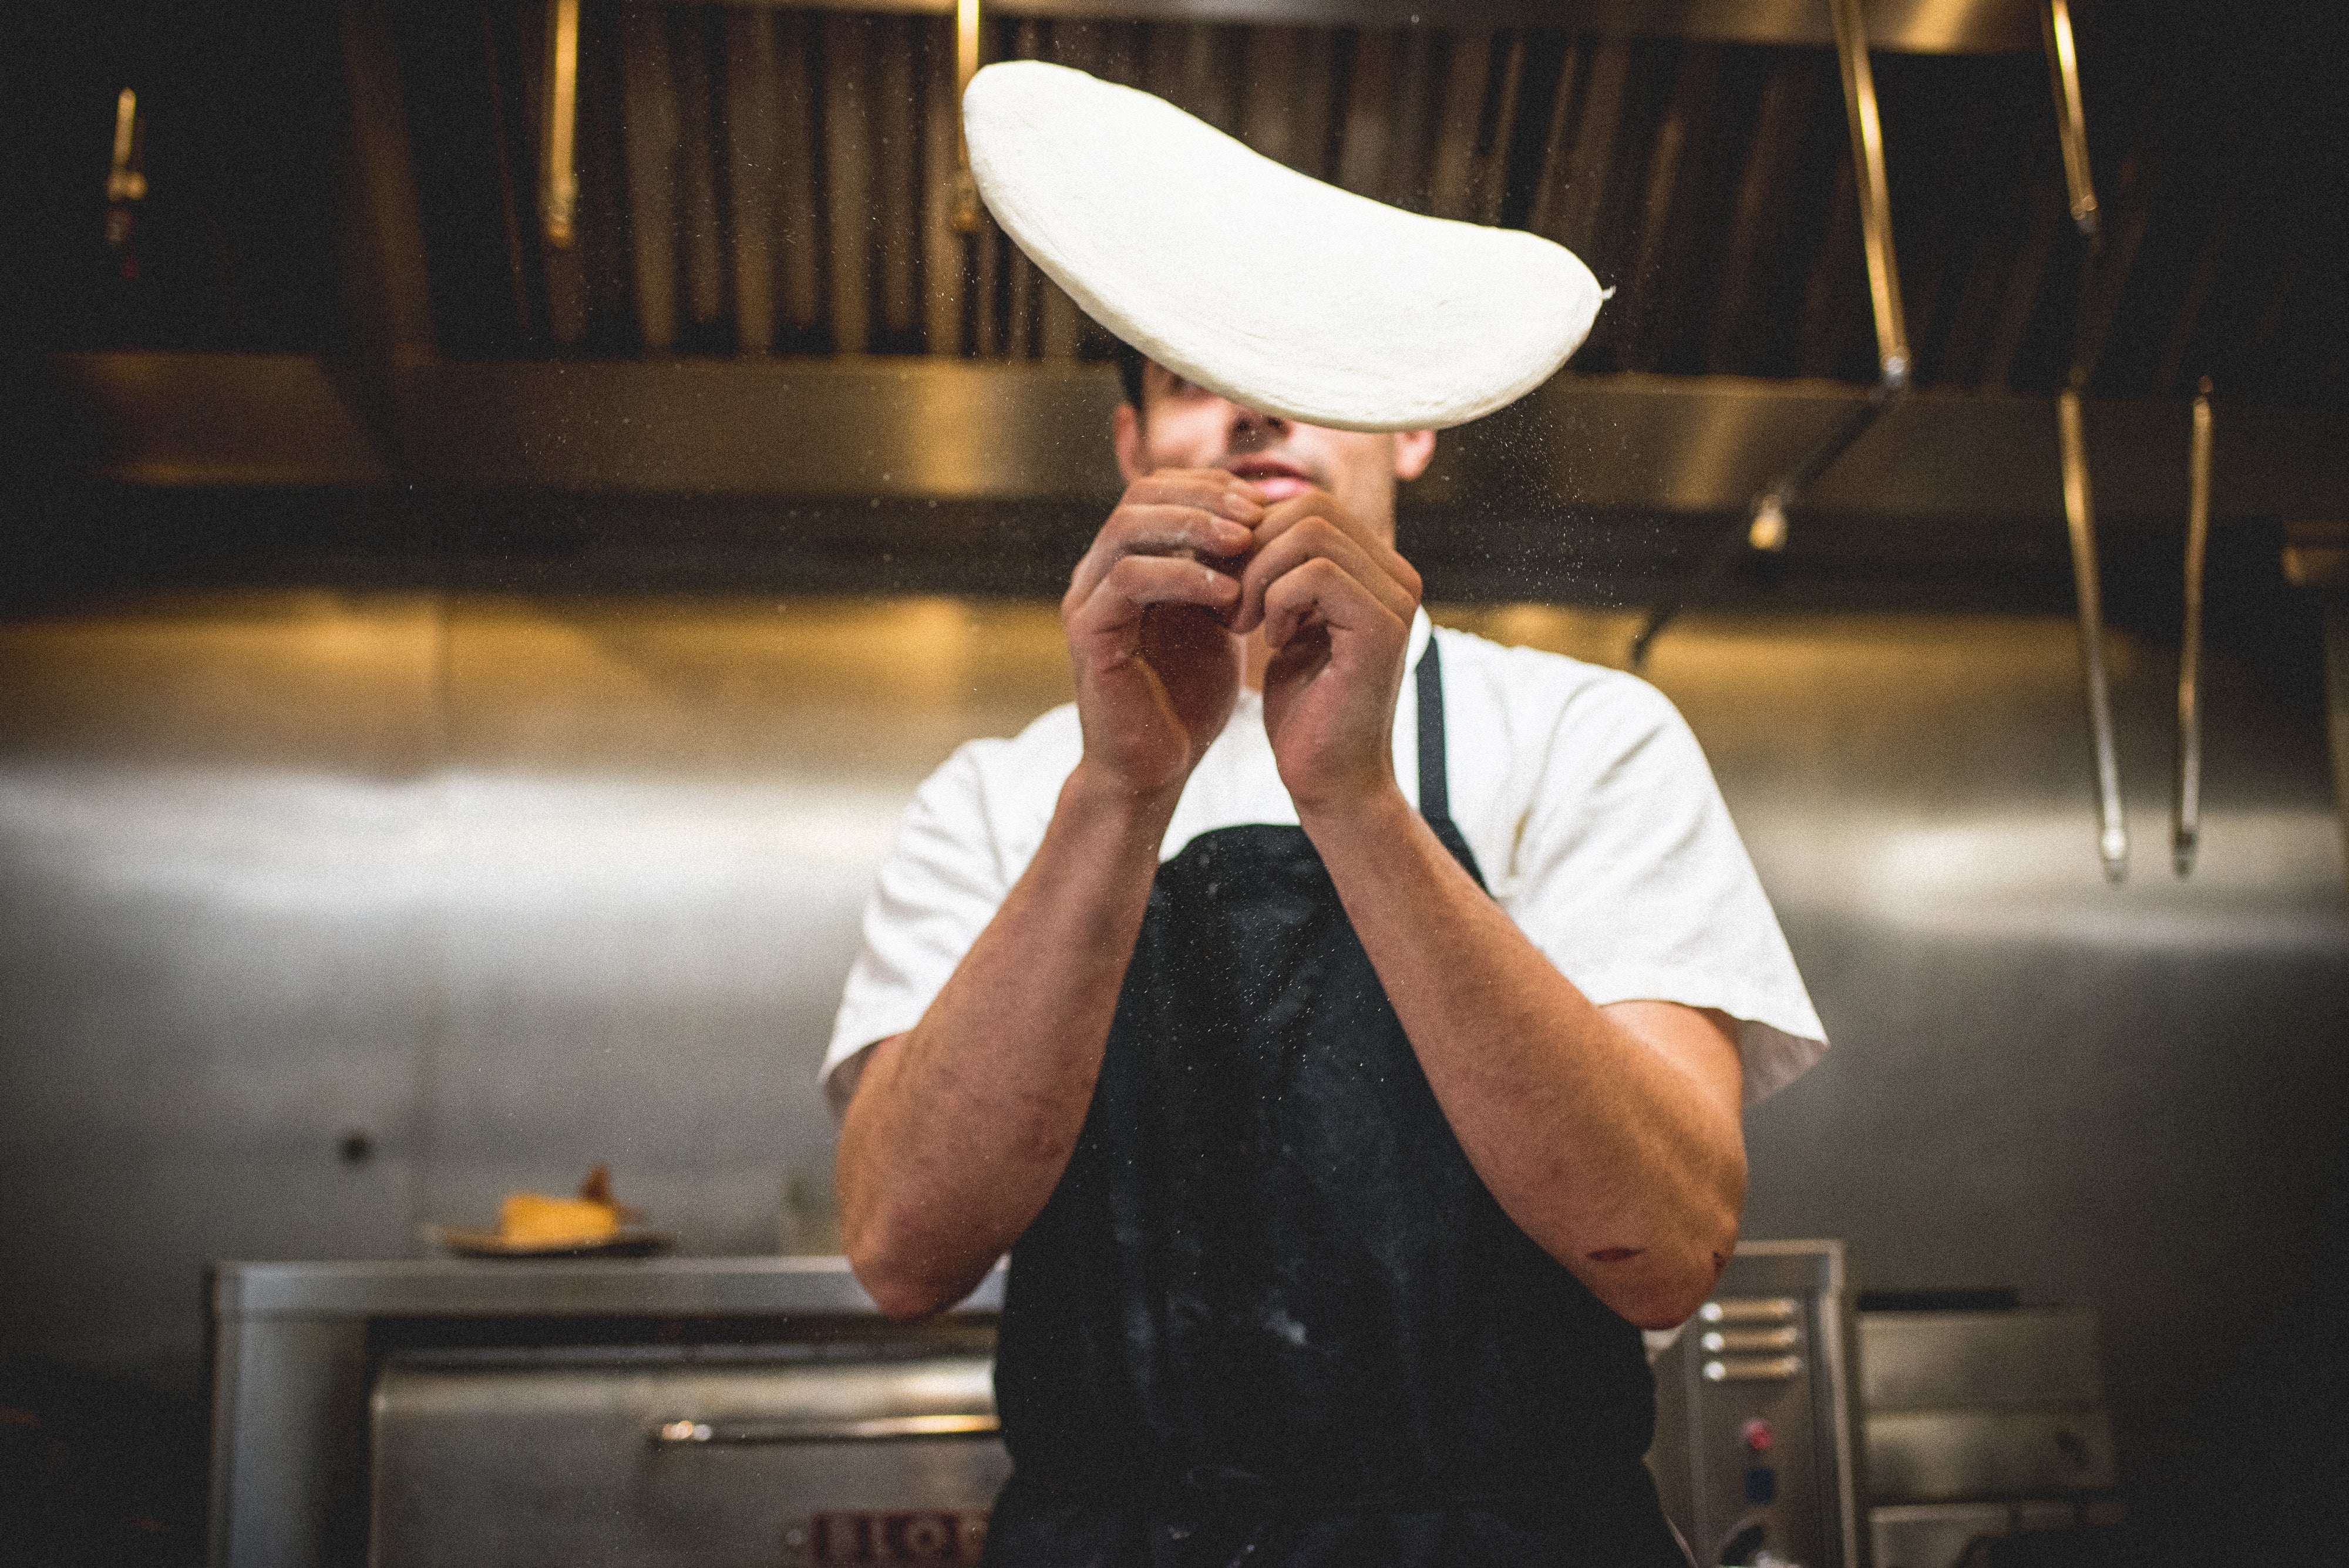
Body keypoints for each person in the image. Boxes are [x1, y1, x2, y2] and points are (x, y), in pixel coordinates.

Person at [824, 348, 1826, 1567]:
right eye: (1191, 378)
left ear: (1414, 428)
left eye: (1317, 366)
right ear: (1132, 449)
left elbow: (1662, 1247)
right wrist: (1120, 791)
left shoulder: (1583, 740)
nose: (1253, 402)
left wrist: (1354, 798)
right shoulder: (999, 796)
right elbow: (899, 1251)